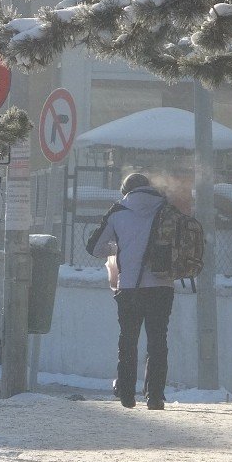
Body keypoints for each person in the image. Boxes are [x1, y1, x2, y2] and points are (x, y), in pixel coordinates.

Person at [86, 173, 175, 410]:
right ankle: (155, 396)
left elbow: (93, 248)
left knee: (128, 340)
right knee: (158, 340)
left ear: (125, 190)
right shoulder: (167, 208)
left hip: (130, 287)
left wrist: (117, 247)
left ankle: (126, 393)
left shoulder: (118, 211)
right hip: (162, 285)